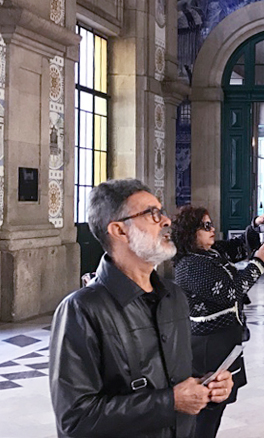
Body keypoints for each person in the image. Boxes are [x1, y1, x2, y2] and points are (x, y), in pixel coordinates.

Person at [49, 179, 233, 438]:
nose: (167, 221)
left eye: (162, 211)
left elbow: (173, 377)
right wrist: (170, 402)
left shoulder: (174, 297)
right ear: (119, 230)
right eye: (152, 214)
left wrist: (205, 385)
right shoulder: (82, 310)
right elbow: (75, 419)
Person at [170, 207, 264, 438]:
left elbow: (238, 247)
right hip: (208, 348)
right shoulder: (189, 265)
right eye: (206, 226)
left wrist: (256, 225)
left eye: (211, 224)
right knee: (206, 411)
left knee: (217, 407)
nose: (212, 229)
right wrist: (259, 261)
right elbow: (232, 291)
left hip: (224, 342)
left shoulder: (209, 252)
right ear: (190, 232)